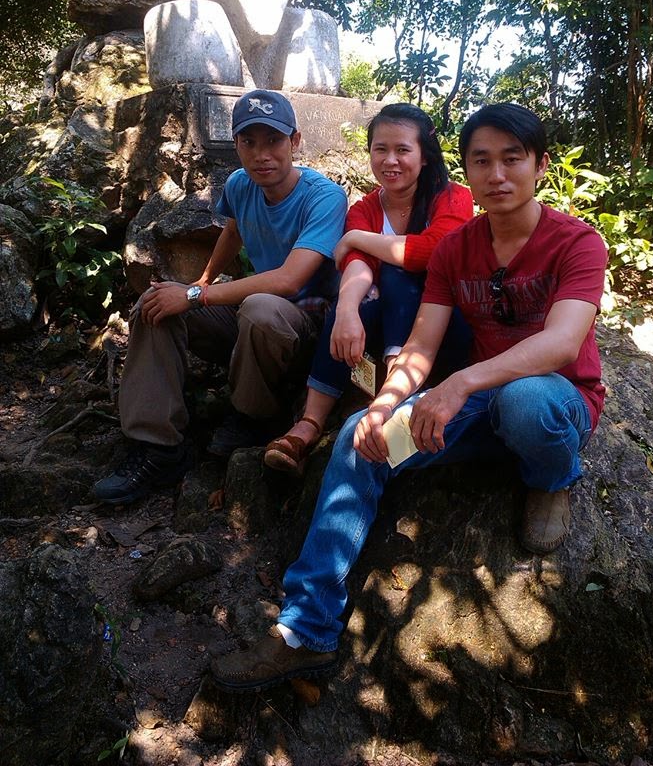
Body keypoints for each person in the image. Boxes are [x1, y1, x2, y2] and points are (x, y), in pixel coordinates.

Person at [209, 102, 608, 692]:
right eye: (482, 161)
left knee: (525, 400)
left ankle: (552, 478)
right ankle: (305, 630)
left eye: (512, 159)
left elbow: (562, 342)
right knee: (359, 438)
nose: (497, 175)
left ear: (540, 165)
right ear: (466, 169)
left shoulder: (576, 242)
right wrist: (383, 405)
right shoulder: (456, 248)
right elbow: (420, 346)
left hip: (555, 401)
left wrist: (460, 383)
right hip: (478, 411)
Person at [94, 89, 347, 505]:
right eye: (249, 142)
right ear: (237, 145)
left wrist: (196, 294)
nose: (261, 154)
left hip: (305, 332)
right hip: (251, 320)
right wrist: (203, 280)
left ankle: (249, 416)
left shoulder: (324, 197)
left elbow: (289, 281)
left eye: (274, 141)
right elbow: (234, 230)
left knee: (261, 308)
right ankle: (157, 445)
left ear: (295, 142)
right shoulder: (240, 184)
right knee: (155, 303)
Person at [263, 102, 474, 477]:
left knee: (396, 274)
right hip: (384, 328)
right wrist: (345, 311)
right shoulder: (364, 209)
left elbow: (433, 252)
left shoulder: (452, 197)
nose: (390, 160)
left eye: (403, 150)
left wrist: (358, 238)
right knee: (360, 297)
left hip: (444, 331)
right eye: (381, 149)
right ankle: (309, 424)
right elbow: (357, 264)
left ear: (424, 155)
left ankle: (392, 398)